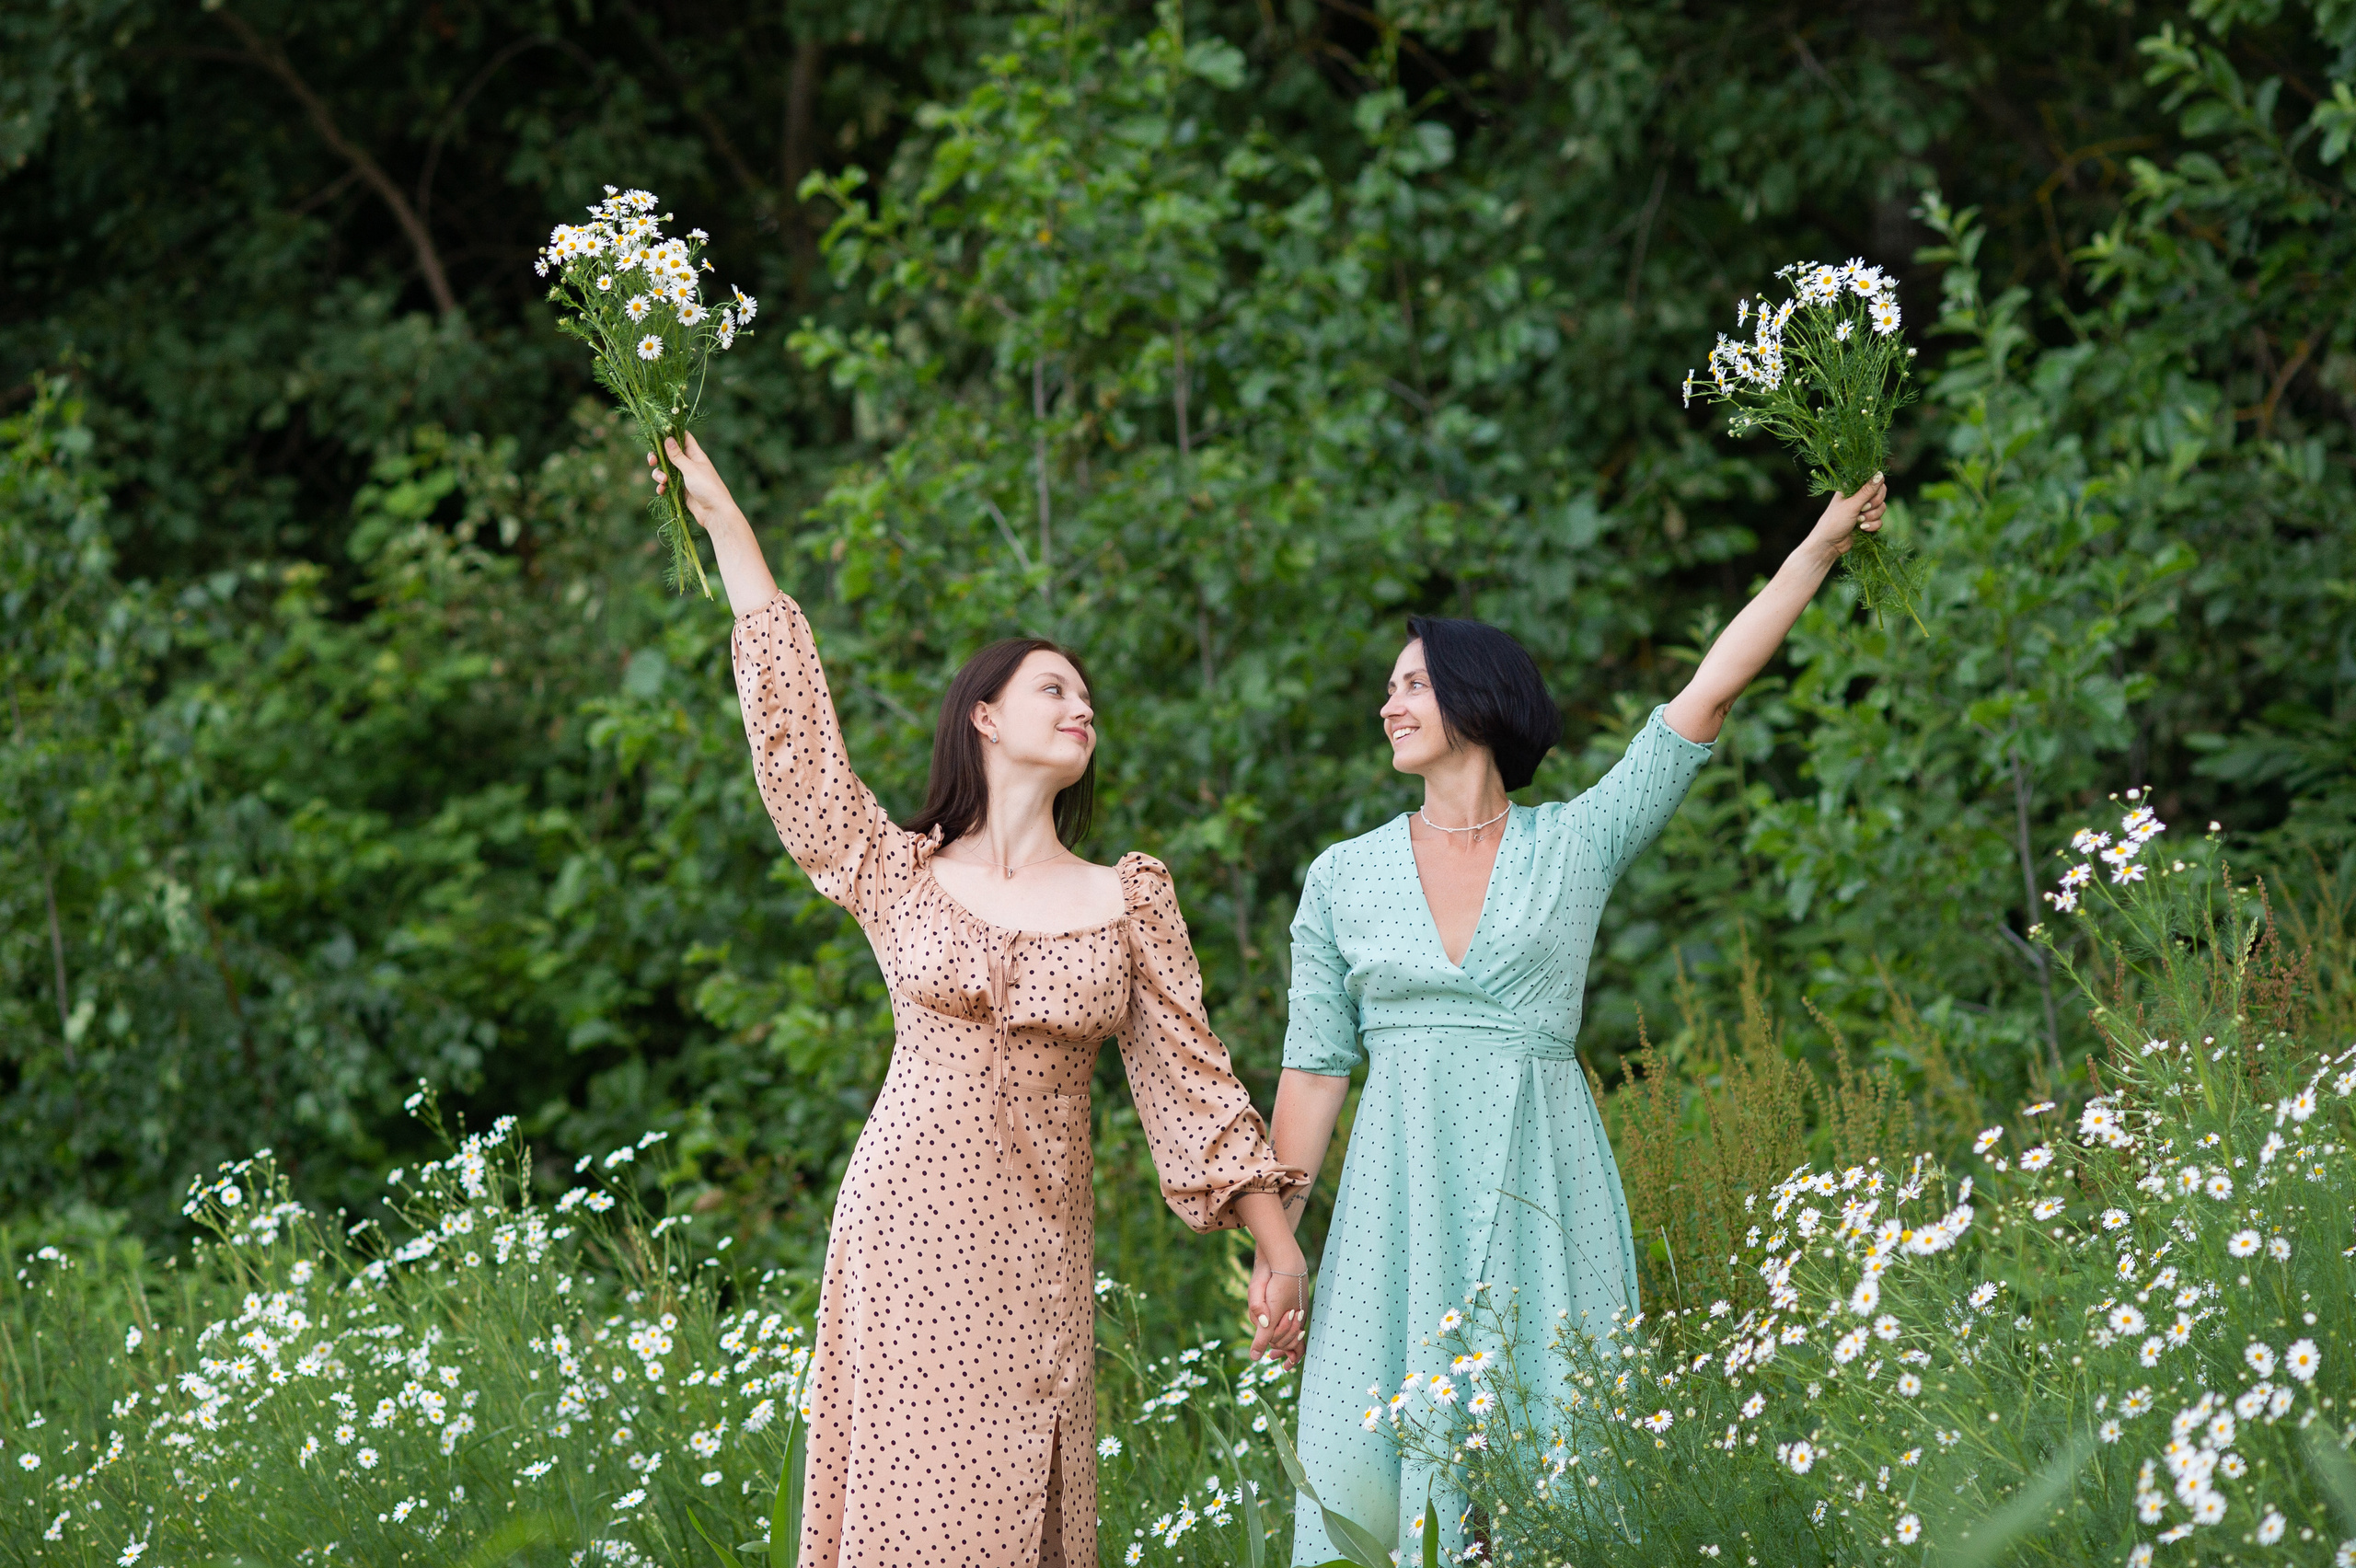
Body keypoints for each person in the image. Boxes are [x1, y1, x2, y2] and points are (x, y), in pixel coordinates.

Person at [648, 433, 1311, 1568]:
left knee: (1017, 1517)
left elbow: (1189, 1081)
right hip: (902, 1228)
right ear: (985, 718)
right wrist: (726, 527)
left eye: (1089, 698)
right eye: (1054, 687)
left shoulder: (1125, 897)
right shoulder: (898, 869)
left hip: (1033, 1248)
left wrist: (1277, 1246)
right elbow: (800, 753)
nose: (1081, 707)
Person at [1268, 478, 1889, 1561]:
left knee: (1549, 1453)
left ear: (1477, 696)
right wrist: (1278, 1250)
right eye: (1387, 689)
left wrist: (1820, 547)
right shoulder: (1342, 876)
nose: (1388, 704)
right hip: (1396, 1200)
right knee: (1380, 1474)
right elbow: (1316, 1068)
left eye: (1411, 684)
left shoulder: (1576, 845)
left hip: (1540, 1180)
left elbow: (1707, 693)